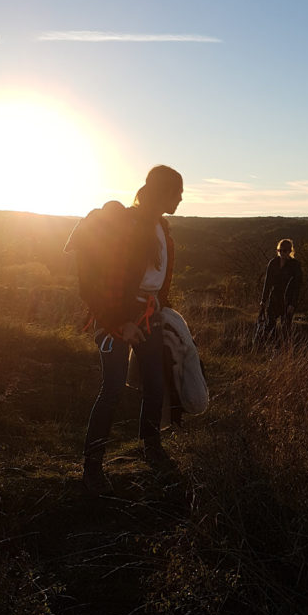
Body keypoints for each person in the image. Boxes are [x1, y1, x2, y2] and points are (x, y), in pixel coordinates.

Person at [64, 165, 183, 495]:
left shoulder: (162, 228)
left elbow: (159, 282)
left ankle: (151, 446)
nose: (182, 197)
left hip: (150, 314)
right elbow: (97, 284)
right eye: (178, 191)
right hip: (116, 315)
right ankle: (92, 465)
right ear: (162, 192)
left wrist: (164, 309)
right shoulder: (127, 227)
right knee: (113, 387)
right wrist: (118, 322)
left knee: (155, 384)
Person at [259, 238, 303, 344]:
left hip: (287, 299)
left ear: (290, 251)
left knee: (286, 327)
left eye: (285, 251)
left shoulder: (295, 265)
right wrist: (263, 300)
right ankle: (270, 347)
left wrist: (292, 304)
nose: (282, 253)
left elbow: (297, 286)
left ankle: (284, 350)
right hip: (274, 297)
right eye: (280, 250)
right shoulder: (273, 263)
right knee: (270, 325)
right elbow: (267, 283)